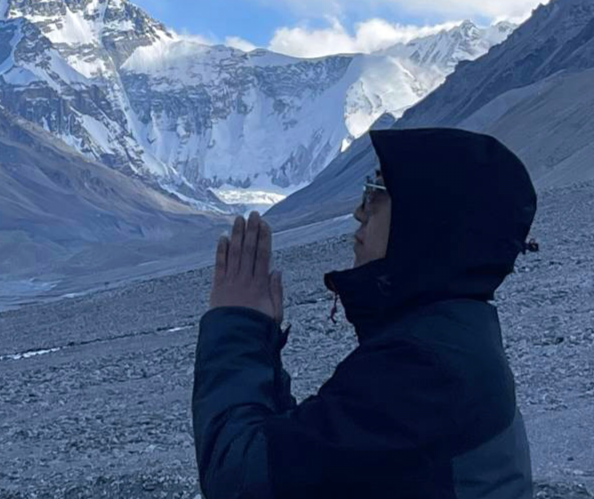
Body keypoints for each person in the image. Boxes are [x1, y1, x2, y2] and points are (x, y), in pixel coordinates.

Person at [192, 127, 538, 498]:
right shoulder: (446, 343)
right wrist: (261, 348)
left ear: (425, 215)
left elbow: (240, 478)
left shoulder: (427, 371)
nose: (359, 212)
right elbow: (306, 465)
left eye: (377, 191)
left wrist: (237, 326)